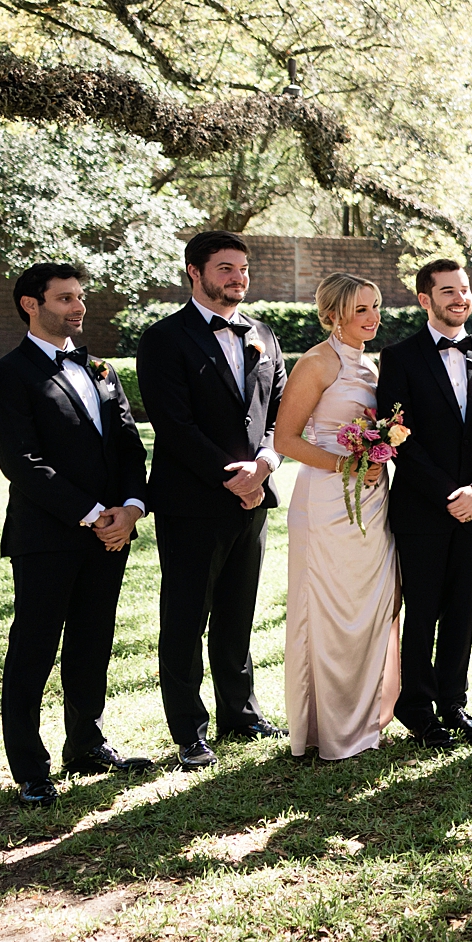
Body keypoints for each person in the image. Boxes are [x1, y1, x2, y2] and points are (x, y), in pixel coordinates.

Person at [0, 263, 153, 806]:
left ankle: (86, 745)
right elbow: (22, 463)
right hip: (47, 536)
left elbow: (128, 445)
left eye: (80, 297)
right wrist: (93, 512)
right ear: (30, 305)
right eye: (64, 299)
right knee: (33, 649)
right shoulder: (6, 375)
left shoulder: (102, 369)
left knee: (92, 641)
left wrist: (130, 508)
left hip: (110, 534)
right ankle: (30, 768)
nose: (78, 307)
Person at [136, 230, 287, 769]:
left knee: (237, 613)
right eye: (225, 268)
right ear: (194, 273)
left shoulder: (263, 334)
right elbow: (173, 424)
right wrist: (234, 477)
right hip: (192, 501)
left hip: (254, 497)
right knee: (184, 619)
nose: (238, 277)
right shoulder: (163, 339)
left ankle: (240, 714)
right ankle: (189, 730)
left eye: (242, 268)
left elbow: (281, 413)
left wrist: (264, 465)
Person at [374, 259, 472, 749]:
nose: (459, 298)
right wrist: (448, 494)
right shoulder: (399, 357)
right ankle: (417, 709)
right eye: (448, 290)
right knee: (423, 610)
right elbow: (397, 436)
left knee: (461, 610)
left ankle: (453, 704)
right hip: (423, 507)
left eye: (464, 289)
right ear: (424, 299)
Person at [273, 273, 402, 761]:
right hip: (327, 501)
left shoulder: (370, 364)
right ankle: (326, 728)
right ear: (333, 315)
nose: (373, 317)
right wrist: (347, 465)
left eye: (376, 307)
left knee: (372, 605)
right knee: (330, 610)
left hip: (373, 498)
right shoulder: (316, 363)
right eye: (361, 309)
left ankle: (364, 718)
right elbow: (286, 440)